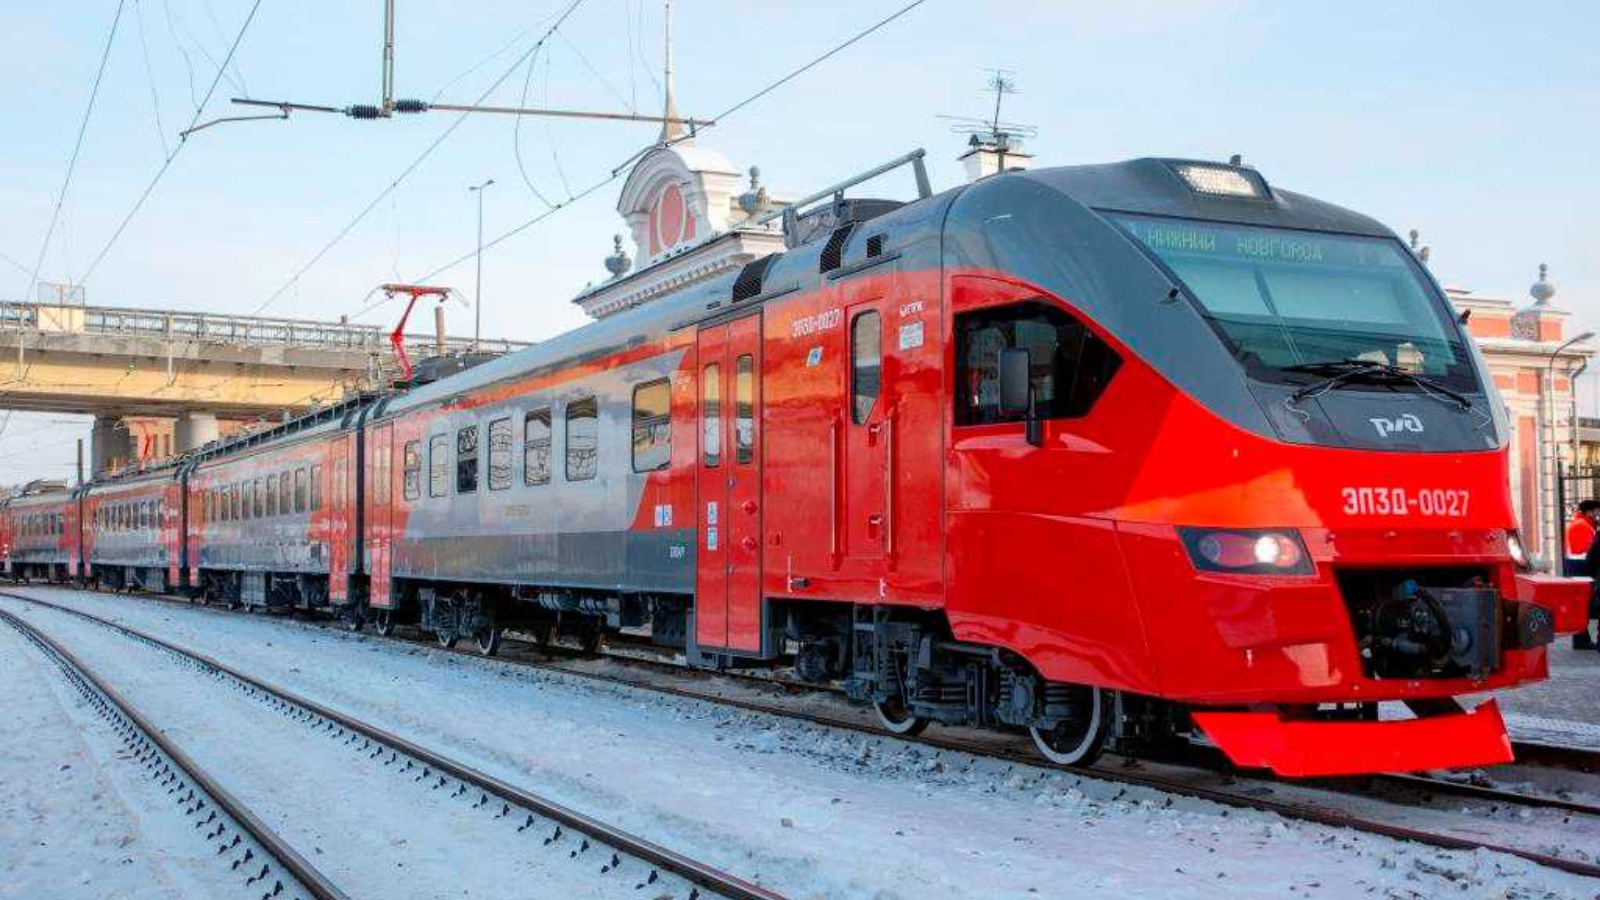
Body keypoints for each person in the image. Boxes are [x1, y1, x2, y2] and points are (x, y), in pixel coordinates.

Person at [1566, 500, 1600, 649]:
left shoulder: (1582, 523)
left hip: (1578, 567)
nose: (1598, 514)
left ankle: (1581, 638)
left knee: (1582, 605)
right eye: (1596, 510)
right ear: (1589, 511)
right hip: (1580, 568)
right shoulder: (1581, 525)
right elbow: (1587, 551)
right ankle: (1581, 639)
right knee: (1583, 605)